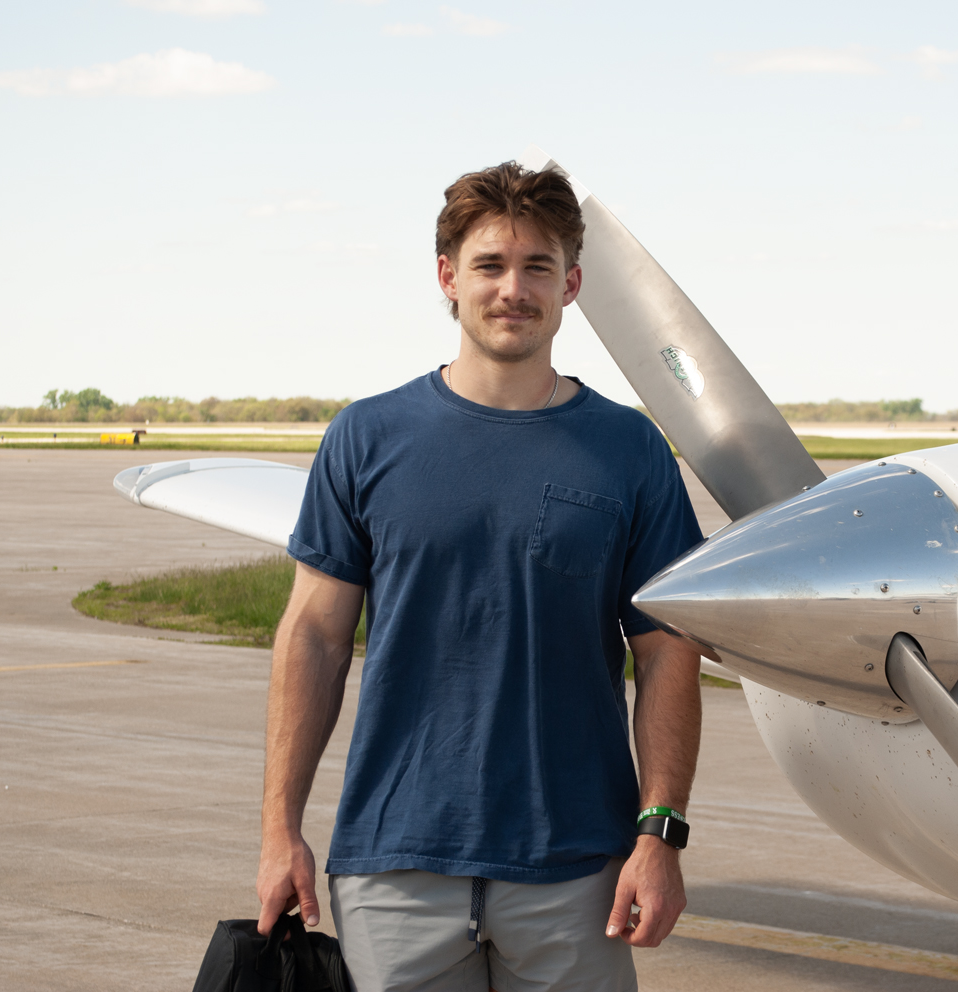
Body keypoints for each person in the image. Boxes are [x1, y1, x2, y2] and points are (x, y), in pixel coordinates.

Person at [256, 161, 705, 992]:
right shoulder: (366, 438)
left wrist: (660, 835)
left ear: (572, 283)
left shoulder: (631, 451)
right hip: (396, 864)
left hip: (579, 871)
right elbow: (314, 637)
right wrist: (280, 828)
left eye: (538, 266)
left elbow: (668, 653)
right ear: (447, 278)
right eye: (490, 265)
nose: (513, 289)